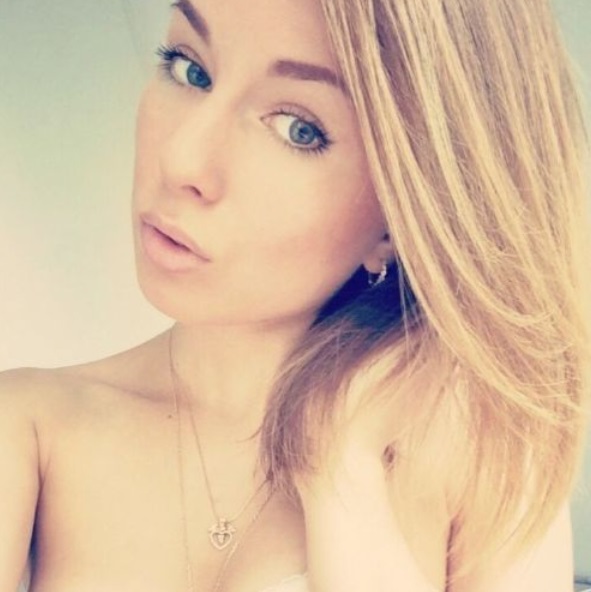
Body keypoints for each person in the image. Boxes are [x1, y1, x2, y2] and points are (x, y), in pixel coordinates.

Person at [1, 0, 589, 590]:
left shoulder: (493, 468)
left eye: (297, 129)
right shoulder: (30, 428)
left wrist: (341, 463)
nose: (182, 160)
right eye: (190, 69)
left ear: (400, 216)